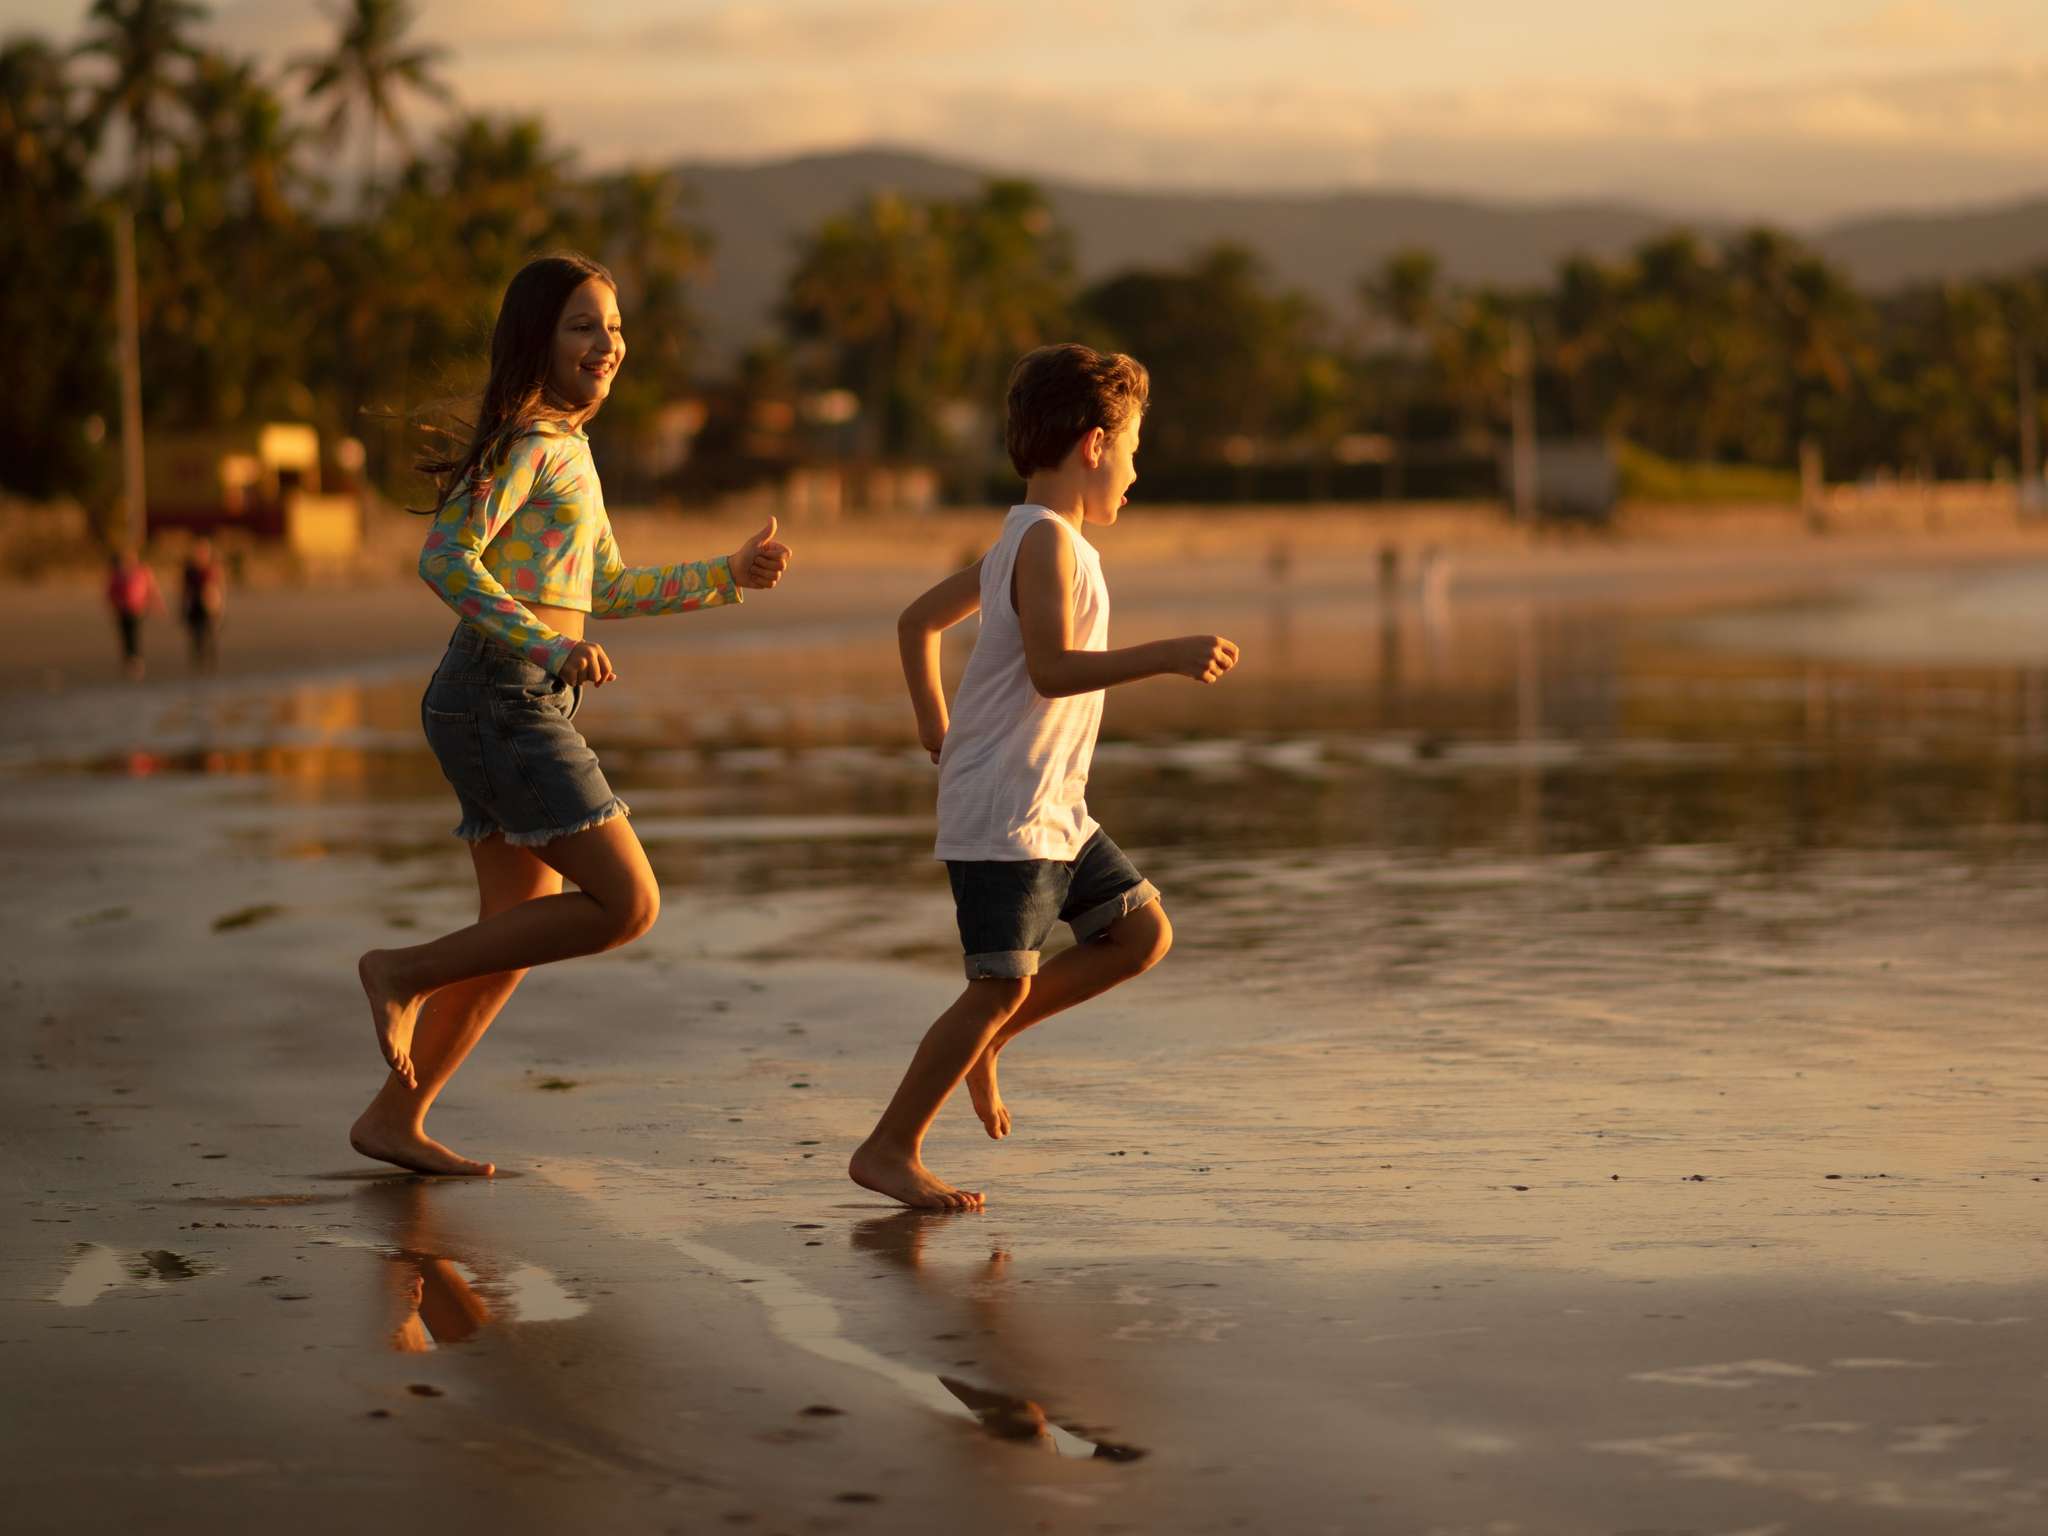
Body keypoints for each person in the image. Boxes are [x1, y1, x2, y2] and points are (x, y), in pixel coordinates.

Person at [351, 252, 791, 1177]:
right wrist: (548, 647)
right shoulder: (528, 445)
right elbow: (444, 560)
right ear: (538, 341)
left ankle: (397, 1117)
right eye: (583, 326)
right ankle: (400, 973)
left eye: (615, 327)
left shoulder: (566, 448)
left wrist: (726, 575)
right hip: (500, 692)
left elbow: (602, 586)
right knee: (627, 902)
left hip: (505, 693)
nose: (607, 344)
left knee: (517, 931)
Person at [850, 343, 1240, 1211]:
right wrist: (1168, 654)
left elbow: (917, 624)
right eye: (1134, 448)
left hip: (1052, 806)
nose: (1137, 471)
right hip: (1008, 811)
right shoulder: (1046, 546)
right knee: (997, 983)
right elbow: (1055, 667)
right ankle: (888, 1147)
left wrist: (935, 725)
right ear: (1094, 444)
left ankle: (989, 1043)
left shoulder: (1021, 541)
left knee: (1140, 936)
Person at [105, 547, 163, 681]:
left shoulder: (142, 572)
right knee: (124, 634)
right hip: (121, 609)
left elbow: (152, 589)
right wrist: (113, 603)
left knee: (134, 633)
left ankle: (136, 660)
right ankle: (127, 659)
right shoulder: (117, 574)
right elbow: (110, 591)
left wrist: (157, 604)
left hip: (137, 609)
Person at [180, 536, 225, 671]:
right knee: (196, 633)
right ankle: (198, 658)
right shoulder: (189, 569)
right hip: (194, 604)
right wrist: (183, 605)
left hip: (211, 604)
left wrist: (220, 604)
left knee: (211, 632)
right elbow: (184, 589)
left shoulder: (213, 568)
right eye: (198, 551)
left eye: (204, 551)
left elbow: (220, 585)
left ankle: (212, 659)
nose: (200, 554)